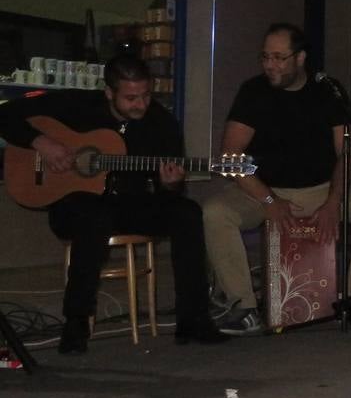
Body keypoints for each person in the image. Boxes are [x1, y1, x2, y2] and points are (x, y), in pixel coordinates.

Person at [0, 54, 227, 353]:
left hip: (132, 205)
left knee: (187, 213)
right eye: (131, 97)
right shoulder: (76, 106)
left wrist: (171, 184)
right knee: (93, 216)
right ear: (109, 92)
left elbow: (168, 192)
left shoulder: (161, 124)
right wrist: (43, 143)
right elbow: (5, 116)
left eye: (146, 95)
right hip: (74, 205)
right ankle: (76, 322)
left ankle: (194, 318)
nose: (141, 104)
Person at [202, 23, 351, 335]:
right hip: (263, 191)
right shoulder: (253, 92)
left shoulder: (328, 92)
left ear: (301, 58)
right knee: (214, 211)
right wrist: (269, 200)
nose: (270, 65)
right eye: (265, 57)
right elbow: (230, 157)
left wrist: (334, 202)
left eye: (279, 57)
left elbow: (347, 154)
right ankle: (244, 306)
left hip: (321, 189)